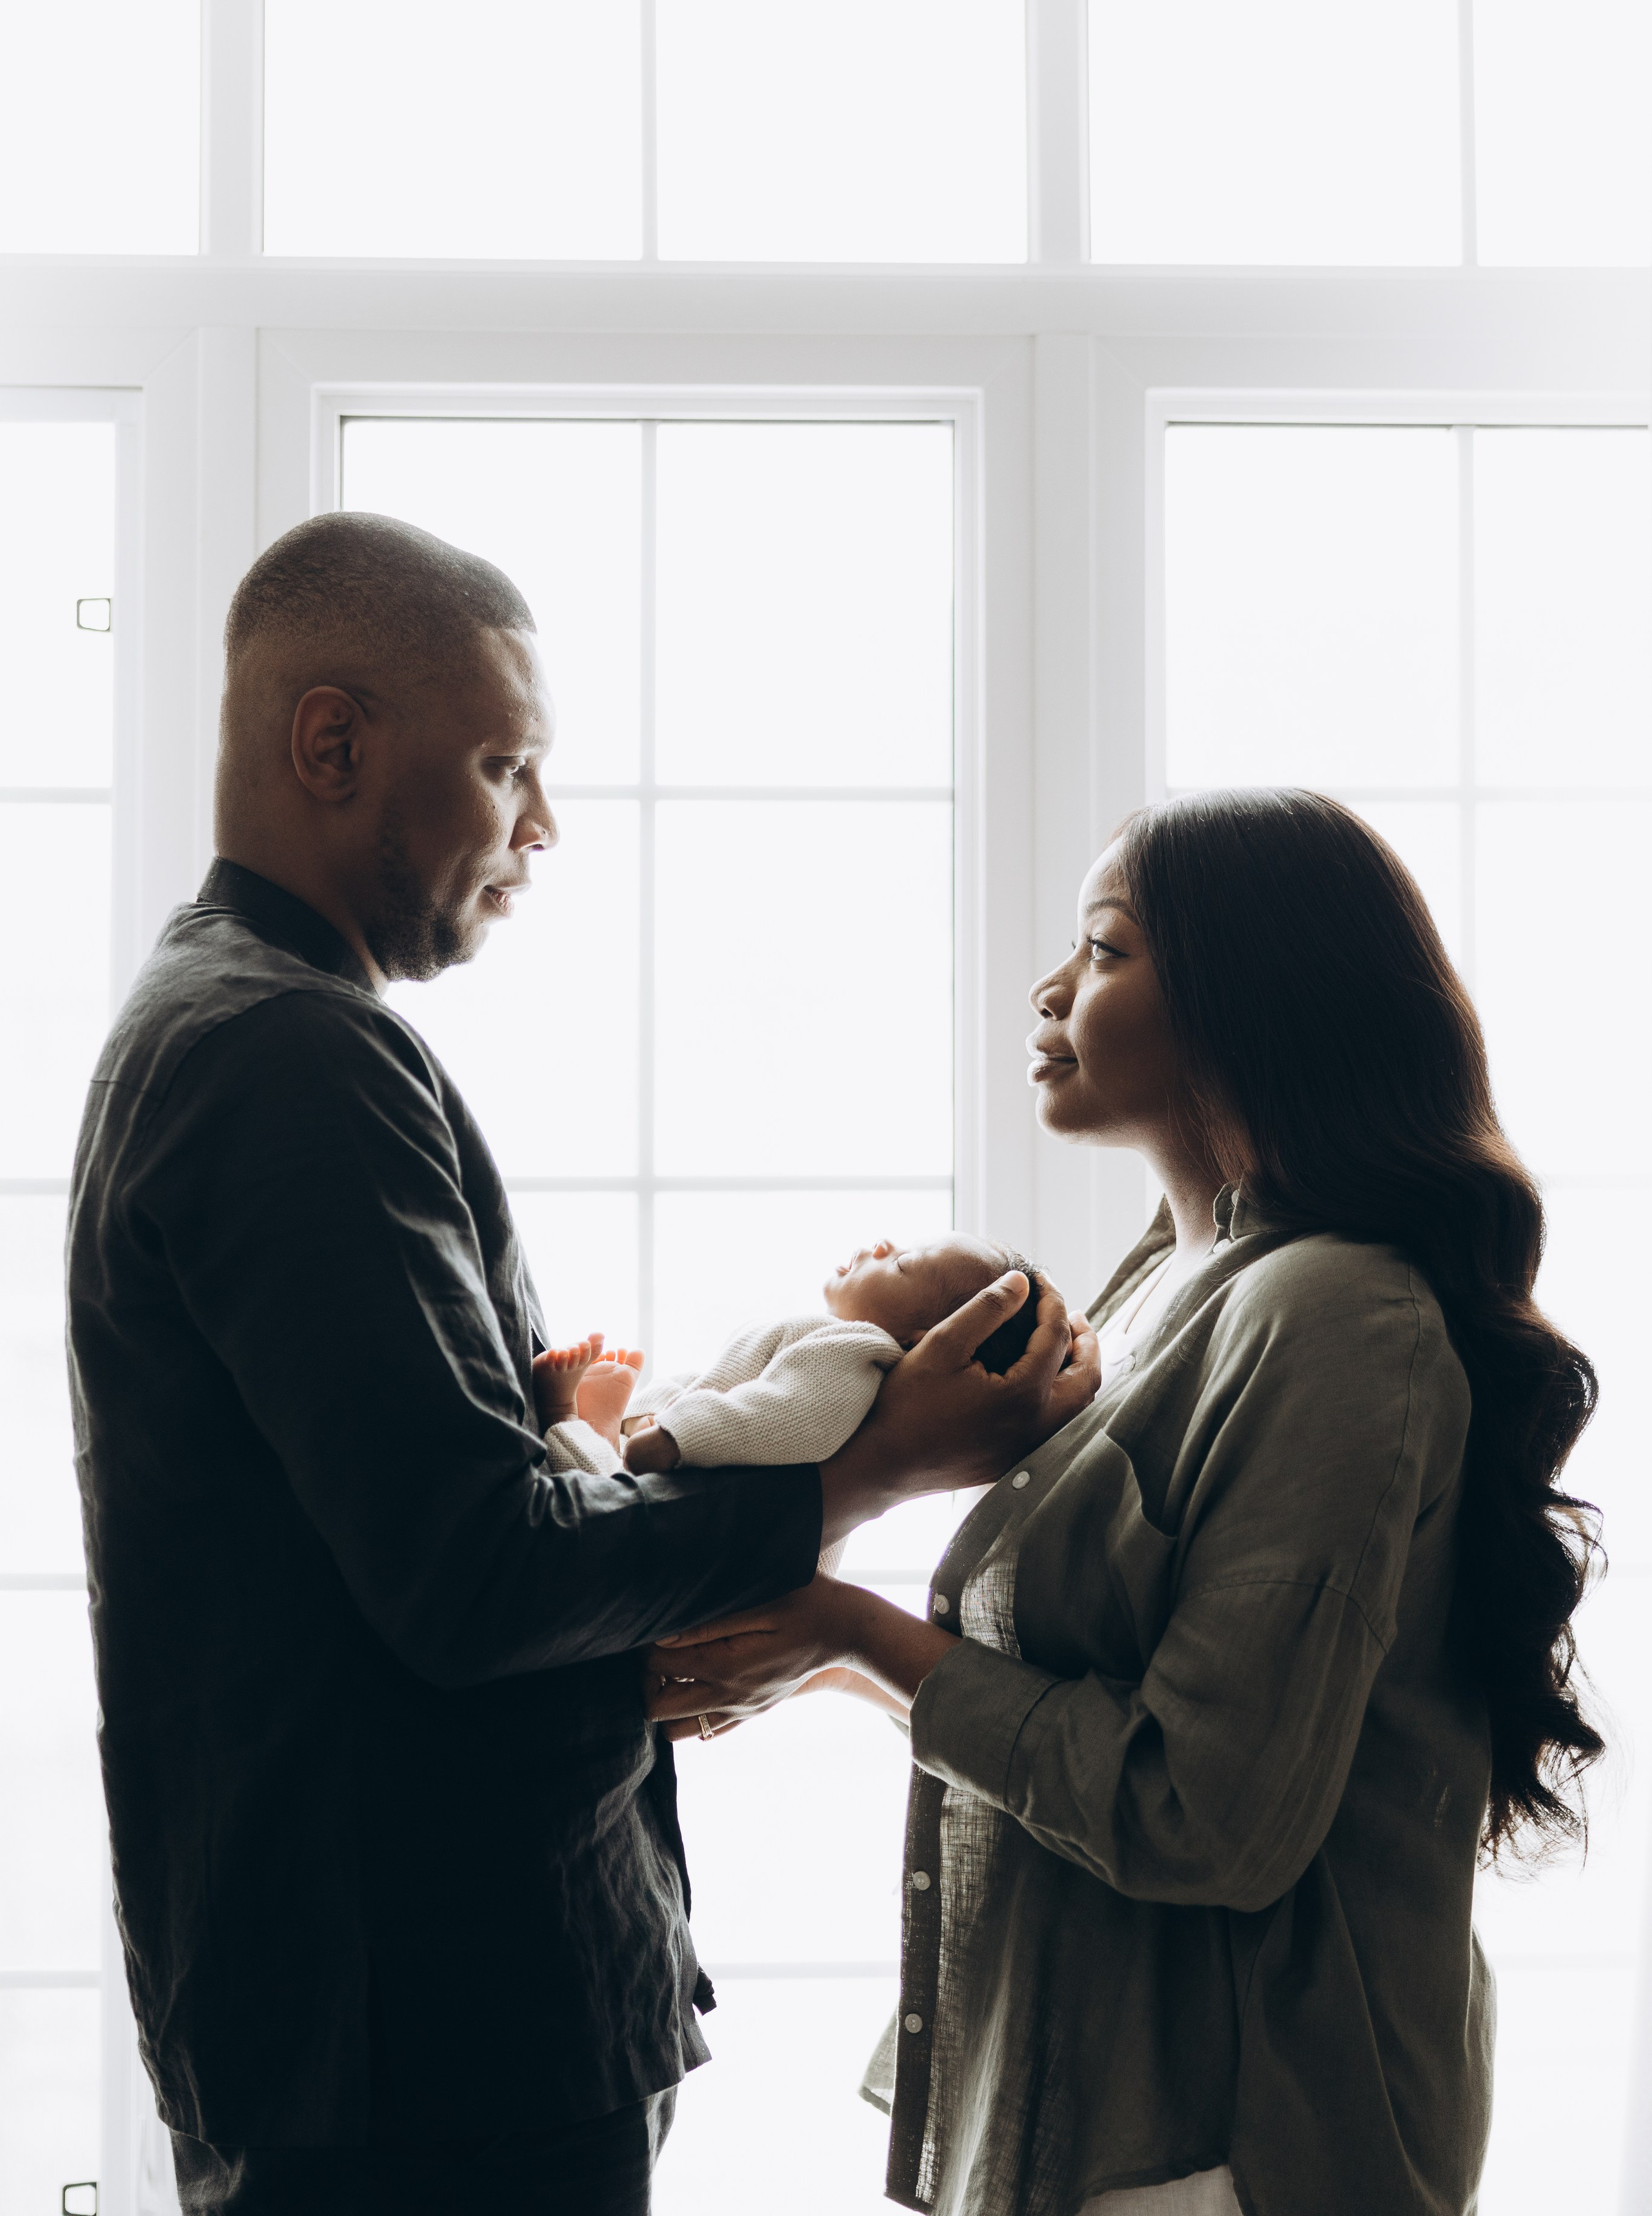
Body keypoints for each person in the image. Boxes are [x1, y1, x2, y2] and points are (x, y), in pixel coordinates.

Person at [66, 511, 1096, 2216]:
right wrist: (872, 1467)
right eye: (505, 765)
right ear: (332, 744)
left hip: (386, 2024)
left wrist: (541, 1425)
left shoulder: (235, 1026)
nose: (539, 825)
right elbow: (471, 1574)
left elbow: (379, 1526)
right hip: (428, 2047)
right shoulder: (286, 1054)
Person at [643, 787, 1604, 2216]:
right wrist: (823, 1665)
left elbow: (1201, 1814)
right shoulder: (1167, 1287)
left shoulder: (1336, 1315)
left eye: (1102, 949)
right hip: (1102, 2107)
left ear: (1247, 998)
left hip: (1236, 2142)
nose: (1050, 991)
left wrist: (851, 1634)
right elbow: (1094, 1703)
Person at [538, 1232, 1040, 1498]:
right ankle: (611, 1426)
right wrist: (656, 1409)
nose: (884, 1244)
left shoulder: (858, 1350)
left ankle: (567, 1419)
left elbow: (785, 1416)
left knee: (601, 1506)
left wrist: (673, 1439)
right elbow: (722, 1386)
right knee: (628, 1472)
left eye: (903, 1264)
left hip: (702, 1527)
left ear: (925, 1340)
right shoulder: (834, 1345)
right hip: (693, 1487)